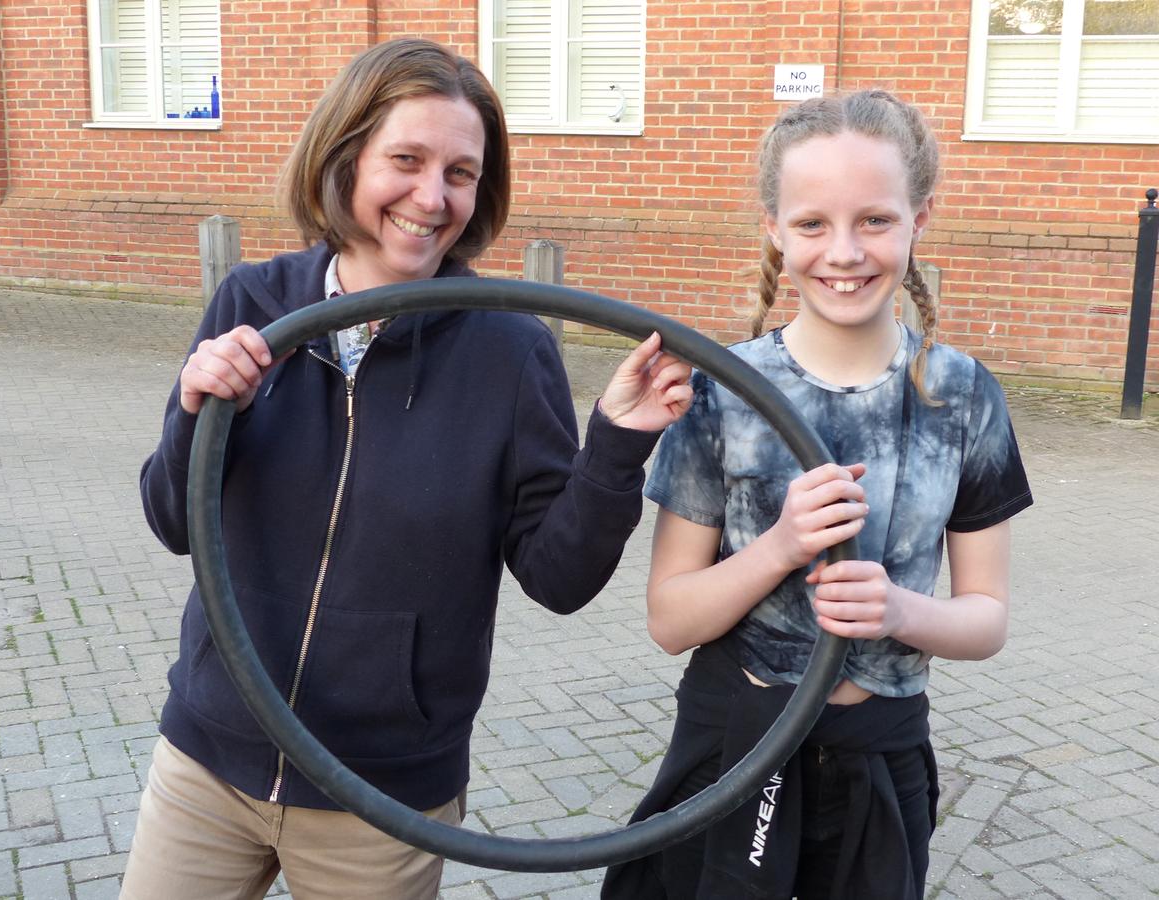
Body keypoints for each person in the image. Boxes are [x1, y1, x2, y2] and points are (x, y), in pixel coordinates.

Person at [122, 38, 691, 900]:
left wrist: (616, 441)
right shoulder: (255, 303)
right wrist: (199, 414)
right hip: (209, 759)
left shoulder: (509, 350)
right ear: (345, 155)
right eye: (407, 160)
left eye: (461, 172)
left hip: (383, 801)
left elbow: (559, 577)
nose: (432, 198)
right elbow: (172, 519)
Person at [601, 90, 1033, 899]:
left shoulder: (963, 398)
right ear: (774, 228)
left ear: (919, 218)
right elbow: (670, 619)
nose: (844, 251)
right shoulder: (722, 391)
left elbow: (987, 619)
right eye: (812, 224)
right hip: (737, 738)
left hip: (880, 750)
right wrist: (779, 548)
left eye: (875, 219)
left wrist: (902, 612)